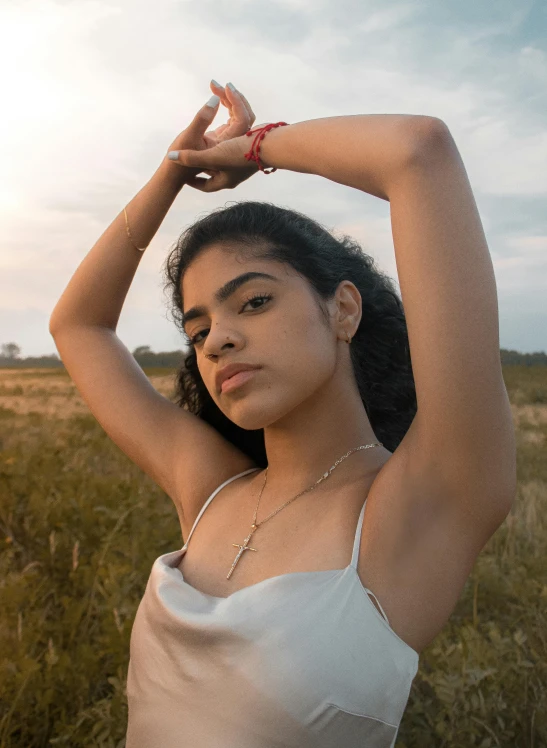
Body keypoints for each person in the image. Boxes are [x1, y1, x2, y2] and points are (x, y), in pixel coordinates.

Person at [49, 81, 516, 747]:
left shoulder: (425, 503)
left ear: (342, 309)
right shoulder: (209, 491)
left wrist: (254, 148)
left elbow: (419, 150)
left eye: (255, 302)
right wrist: (171, 172)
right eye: (197, 328)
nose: (217, 340)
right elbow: (79, 326)